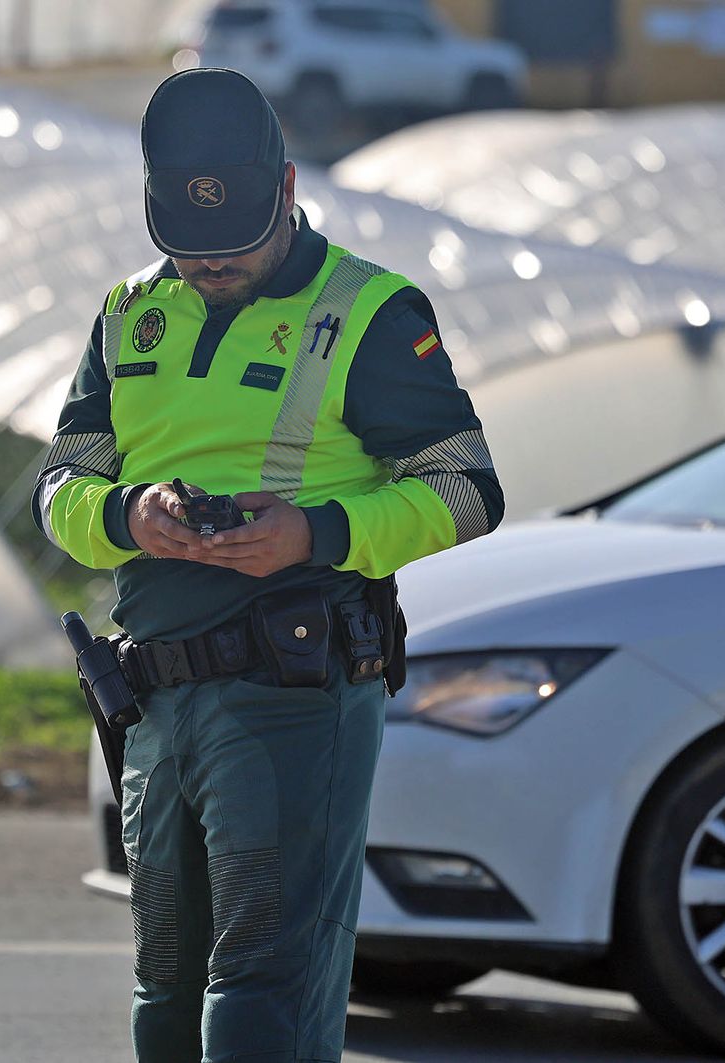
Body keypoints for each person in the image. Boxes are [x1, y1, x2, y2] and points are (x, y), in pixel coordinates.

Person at [32, 68, 503, 1062]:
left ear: (287, 190)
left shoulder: (372, 311)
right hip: (155, 699)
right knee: (164, 996)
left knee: (258, 999)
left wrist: (313, 534)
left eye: (233, 244)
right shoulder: (126, 315)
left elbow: (467, 491)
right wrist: (130, 512)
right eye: (187, 248)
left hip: (291, 693)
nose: (209, 266)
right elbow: (57, 494)